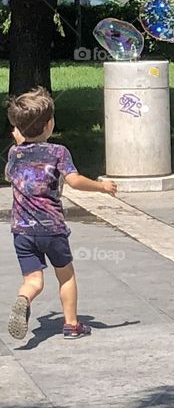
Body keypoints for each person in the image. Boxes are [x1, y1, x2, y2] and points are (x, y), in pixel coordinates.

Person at [5, 87, 118, 340]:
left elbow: (10, 176)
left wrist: (21, 143)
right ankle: (71, 325)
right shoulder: (58, 152)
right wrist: (102, 186)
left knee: (34, 280)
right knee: (65, 274)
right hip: (52, 228)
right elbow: (75, 181)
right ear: (49, 124)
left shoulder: (14, 153)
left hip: (22, 230)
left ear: (18, 129)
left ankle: (24, 298)